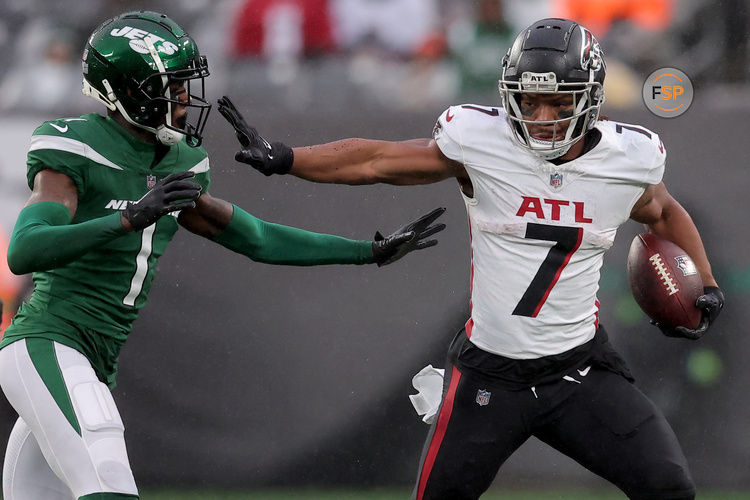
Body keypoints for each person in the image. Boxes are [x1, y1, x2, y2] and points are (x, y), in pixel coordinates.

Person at [218, 17, 725, 500]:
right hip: (490, 376)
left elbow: (662, 212)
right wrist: (288, 158)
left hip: (578, 372)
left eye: (557, 103)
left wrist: (704, 281)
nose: (541, 118)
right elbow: (376, 160)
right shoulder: (483, 144)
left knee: (669, 488)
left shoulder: (624, 161)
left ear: (590, 101)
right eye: (528, 101)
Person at [0, 11, 446, 500]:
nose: (185, 101)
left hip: (95, 355)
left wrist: (366, 252)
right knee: (108, 479)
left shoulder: (180, 161)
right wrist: (127, 218)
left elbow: (256, 237)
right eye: (169, 88)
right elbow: (24, 251)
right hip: (48, 339)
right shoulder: (76, 148)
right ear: (125, 92)